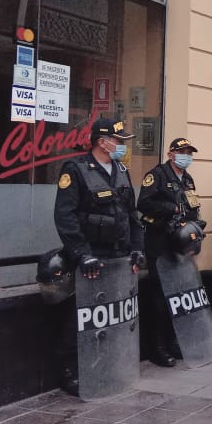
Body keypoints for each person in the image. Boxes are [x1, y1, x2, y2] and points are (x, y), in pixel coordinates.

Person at [53, 116, 145, 395]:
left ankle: (106, 364)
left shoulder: (121, 170)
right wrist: (81, 254)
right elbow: (65, 217)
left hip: (118, 257)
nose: (122, 146)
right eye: (118, 141)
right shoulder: (77, 170)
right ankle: (70, 371)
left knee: (112, 315)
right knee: (80, 316)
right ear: (102, 142)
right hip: (91, 257)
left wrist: (138, 248)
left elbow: (131, 215)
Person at [137, 136, 205, 367]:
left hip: (181, 245)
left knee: (179, 296)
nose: (187, 156)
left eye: (189, 152)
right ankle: (158, 348)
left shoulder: (188, 179)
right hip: (159, 243)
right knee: (160, 298)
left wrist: (195, 232)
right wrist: (170, 208)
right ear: (171, 154)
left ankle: (175, 342)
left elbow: (193, 208)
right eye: (182, 151)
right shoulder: (157, 175)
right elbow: (143, 203)